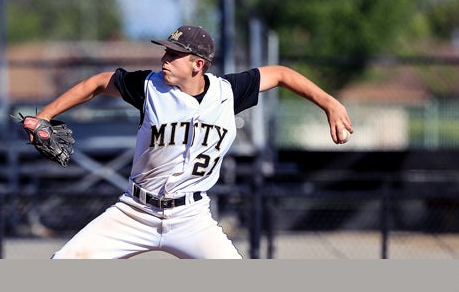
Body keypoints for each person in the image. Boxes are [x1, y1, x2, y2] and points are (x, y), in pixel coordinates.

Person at [34, 25, 353, 259]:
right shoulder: (148, 86)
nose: (165, 59)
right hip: (134, 212)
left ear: (197, 64)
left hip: (191, 217)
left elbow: (282, 74)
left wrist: (330, 103)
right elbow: (98, 82)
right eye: (166, 51)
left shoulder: (228, 93)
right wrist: (44, 116)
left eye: (175, 55)